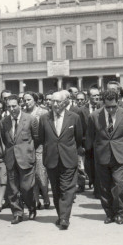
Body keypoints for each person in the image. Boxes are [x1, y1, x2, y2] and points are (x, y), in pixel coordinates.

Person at [86, 90, 123, 225]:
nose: (111, 109)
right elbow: (90, 136)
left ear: (118, 102)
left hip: (119, 156)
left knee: (119, 186)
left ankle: (119, 213)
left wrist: (121, 146)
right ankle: (109, 213)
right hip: (101, 156)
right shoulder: (94, 116)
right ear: (103, 103)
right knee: (104, 187)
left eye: (114, 106)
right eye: (108, 107)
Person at [38, 91, 83, 230]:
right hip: (51, 159)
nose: (55, 104)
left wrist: (72, 152)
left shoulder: (74, 118)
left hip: (68, 158)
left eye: (58, 102)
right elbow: (41, 138)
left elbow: (79, 138)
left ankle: (64, 218)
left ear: (65, 103)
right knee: (56, 190)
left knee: (67, 189)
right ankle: (60, 214)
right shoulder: (45, 118)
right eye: (53, 101)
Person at [0, 94, 39, 224]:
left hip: (26, 158)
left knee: (26, 188)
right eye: (9, 106)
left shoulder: (30, 119)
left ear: (20, 104)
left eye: (14, 106)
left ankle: (32, 207)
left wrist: (28, 151)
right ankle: (17, 213)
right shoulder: (4, 122)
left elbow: (37, 139)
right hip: (11, 159)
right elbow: (5, 141)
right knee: (13, 189)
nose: (12, 109)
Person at [23, 91, 50, 209]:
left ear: (35, 100)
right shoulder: (23, 113)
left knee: (41, 174)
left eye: (29, 99)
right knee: (31, 174)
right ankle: (36, 200)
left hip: (41, 146)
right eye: (24, 100)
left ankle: (45, 195)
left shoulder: (44, 112)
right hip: (28, 147)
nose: (26, 102)